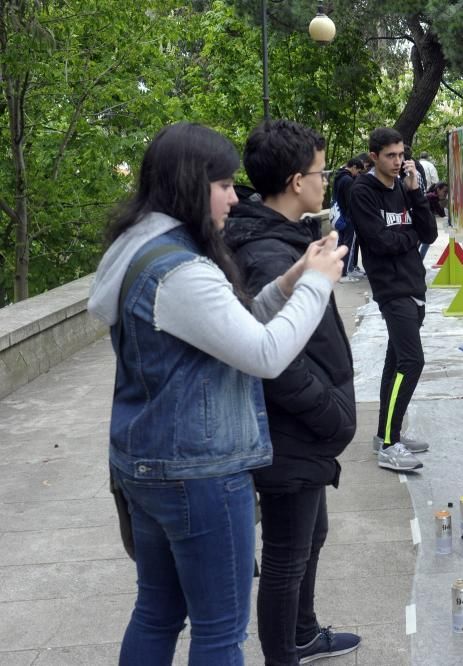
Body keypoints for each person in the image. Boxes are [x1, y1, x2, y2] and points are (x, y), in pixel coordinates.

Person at [87, 122, 347, 665]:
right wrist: (320, 283)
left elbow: (234, 327)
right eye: (224, 184)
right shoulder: (180, 270)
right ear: (189, 184)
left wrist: (292, 278)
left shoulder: (140, 247)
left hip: (147, 465)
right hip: (199, 474)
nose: (235, 195)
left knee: (156, 613)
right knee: (220, 631)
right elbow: (266, 354)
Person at [225, 120, 361, 665]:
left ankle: (302, 633)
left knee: (311, 536)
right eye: (319, 172)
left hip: (301, 432)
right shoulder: (266, 251)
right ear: (293, 181)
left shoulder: (283, 239)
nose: (325, 180)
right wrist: (331, 415)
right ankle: (284, 653)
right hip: (291, 431)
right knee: (285, 554)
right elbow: (275, 362)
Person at [350, 127, 438, 471]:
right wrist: (409, 235)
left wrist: (415, 192)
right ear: (374, 157)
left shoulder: (403, 186)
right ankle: (389, 443)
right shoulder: (363, 191)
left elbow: (428, 232)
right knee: (411, 362)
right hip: (391, 289)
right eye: (391, 155)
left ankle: (389, 432)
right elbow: (379, 243)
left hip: (413, 283)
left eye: (401, 155)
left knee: (395, 362)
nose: (398, 161)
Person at [332, 156, 364, 280]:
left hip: (339, 216)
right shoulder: (348, 180)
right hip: (348, 217)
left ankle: (338, 270)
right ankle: (344, 273)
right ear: (354, 167)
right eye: (358, 171)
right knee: (348, 246)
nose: (358, 174)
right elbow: (349, 201)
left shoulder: (338, 176)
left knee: (340, 243)